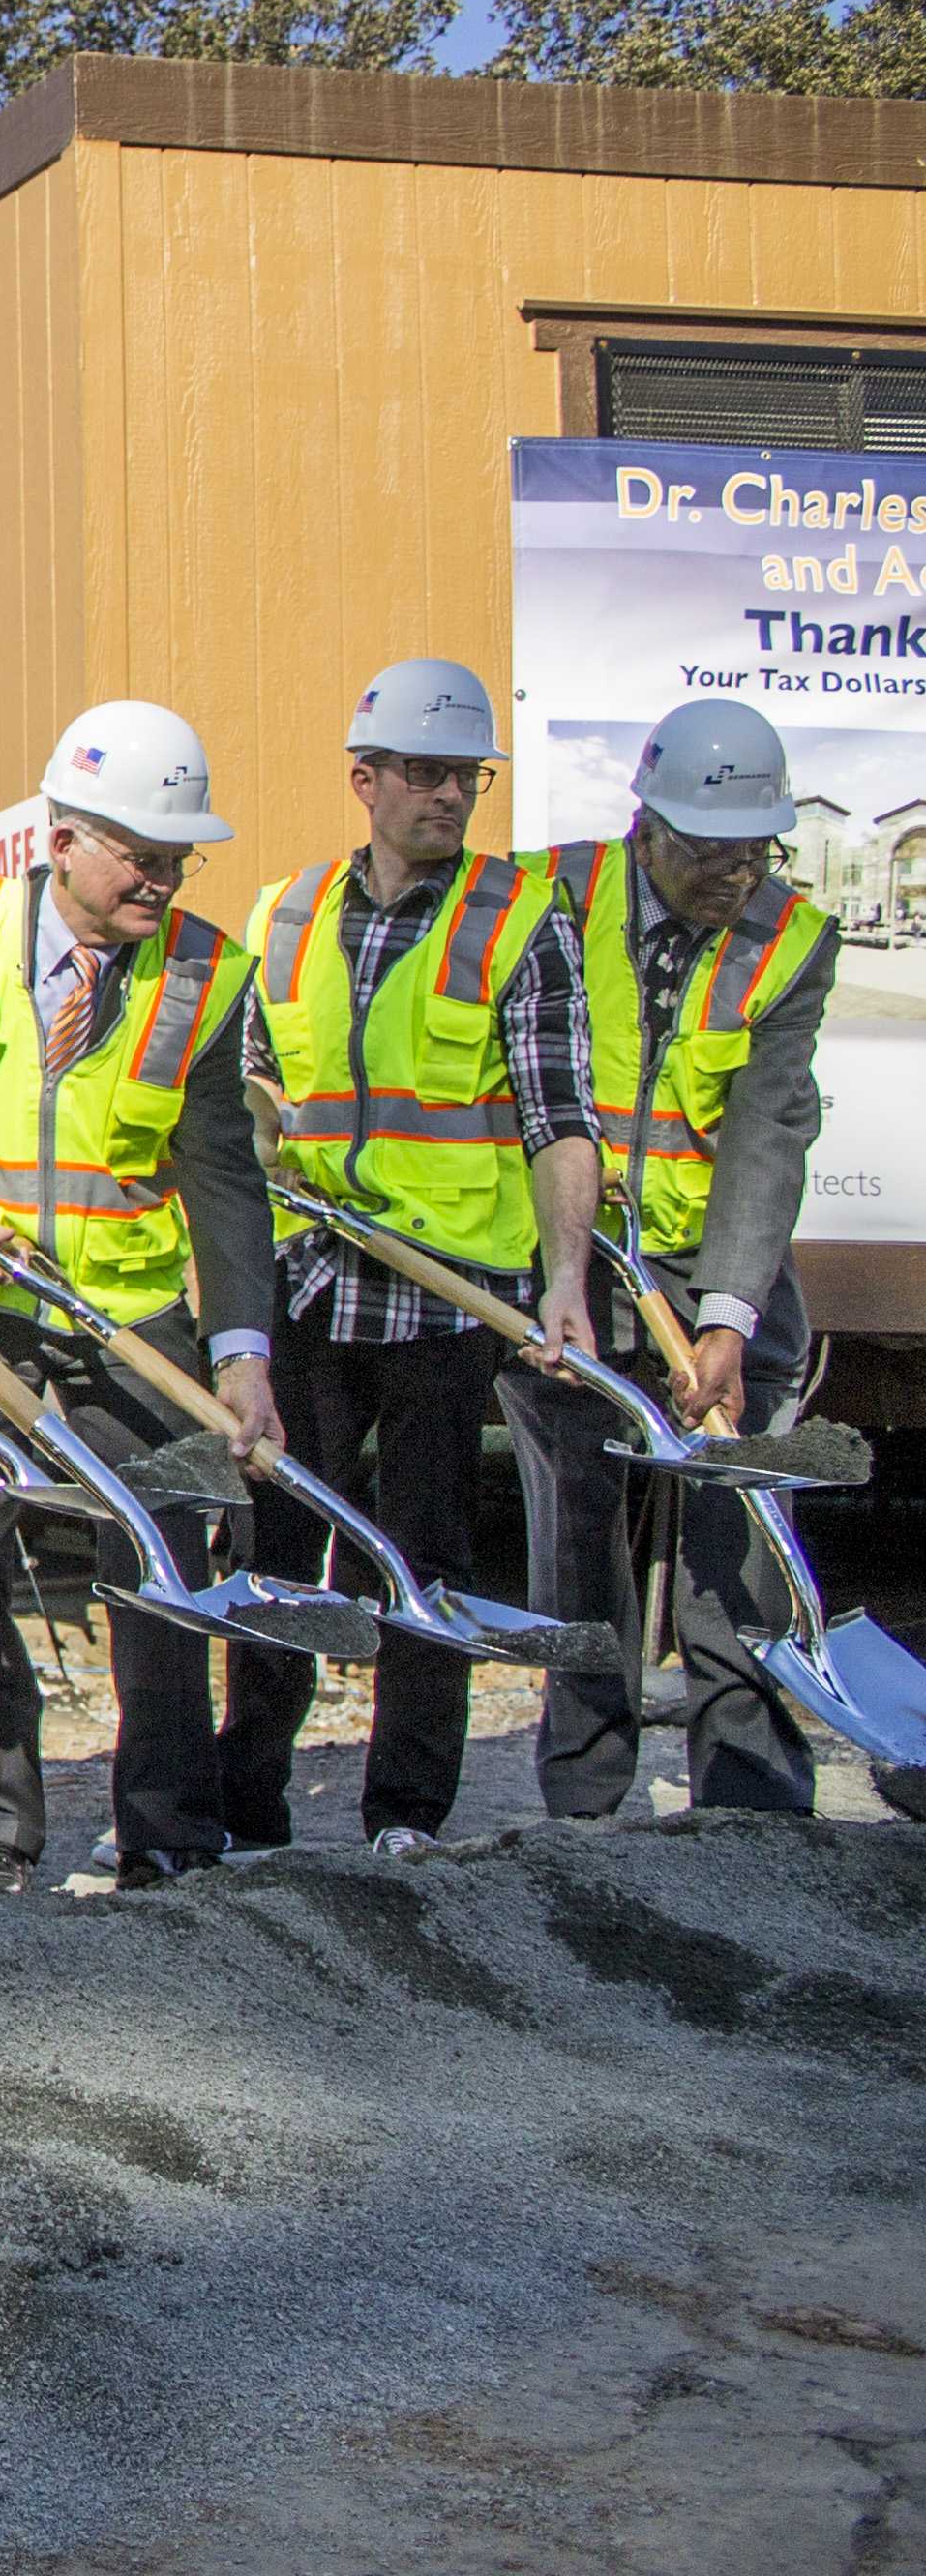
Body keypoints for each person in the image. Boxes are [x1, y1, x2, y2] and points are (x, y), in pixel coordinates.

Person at [0, 703, 283, 1894]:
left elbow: (226, 1178)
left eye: (179, 857)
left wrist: (240, 1350)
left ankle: (167, 1832)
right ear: (62, 837)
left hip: (123, 1317)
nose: (164, 879)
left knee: (163, 1555)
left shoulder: (210, 974)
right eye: (141, 853)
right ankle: (0, 1840)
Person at [226, 661, 598, 1855]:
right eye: (428, 774)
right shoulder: (283, 914)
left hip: (446, 1296)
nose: (450, 797)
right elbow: (241, 1100)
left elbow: (560, 1119)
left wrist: (568, 1284)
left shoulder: (521, 919)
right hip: (311, 1282)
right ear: (366, 780)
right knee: (285, 1549)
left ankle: (406, 1815)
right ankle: (249, 1809)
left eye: (469, 777)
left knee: (423, 1557)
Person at [501, 698, 838, 1816]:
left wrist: (729, 1315)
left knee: (734, 1532)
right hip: (575, 1262)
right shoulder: (548, 893)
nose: (732, 879)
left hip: (711, 1272)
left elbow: (768, 1134)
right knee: (579, 1525)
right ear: (646, 823)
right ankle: (585, 1795)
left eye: (754, 854)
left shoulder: (791, 939)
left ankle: (745, 1800)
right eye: (707, 852)